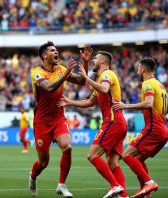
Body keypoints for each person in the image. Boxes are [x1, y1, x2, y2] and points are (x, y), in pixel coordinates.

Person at [58, 51, 128, 198]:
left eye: (95, 58)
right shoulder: (101, 80)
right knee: (113, 162)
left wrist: (86, 78)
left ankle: (115, 186)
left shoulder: (106, 75)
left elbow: (104, 89)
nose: (93, 60)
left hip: (112, 122)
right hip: (119, 123)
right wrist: (70, 102)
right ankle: (124, 196)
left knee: (92, 155)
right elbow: (90, 102)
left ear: (103, 62)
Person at [28, 41, 92, 197]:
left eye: (56, 50)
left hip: (58, 118)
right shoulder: (37, 72)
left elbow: (82, 81)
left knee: (67, 147)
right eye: (52, 50)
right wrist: (65, 75)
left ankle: (62, 184)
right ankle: (32, 176)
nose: (56, 52)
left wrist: (84, 61)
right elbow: (49, 88)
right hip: (42, 122)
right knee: (43, 163)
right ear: (44, 55)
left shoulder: (61, 69)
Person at [113, 57, 168, 198]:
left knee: (126, 155)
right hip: (163, 130)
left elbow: (149, 103)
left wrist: (126, 106)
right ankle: (146, 193)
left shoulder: (148, 84)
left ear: (143, 69)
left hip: (153, 128)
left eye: (138, 68)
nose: (137, 71)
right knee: (138, 160)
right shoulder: (160, 85)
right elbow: (166, 108)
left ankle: (149, 182)